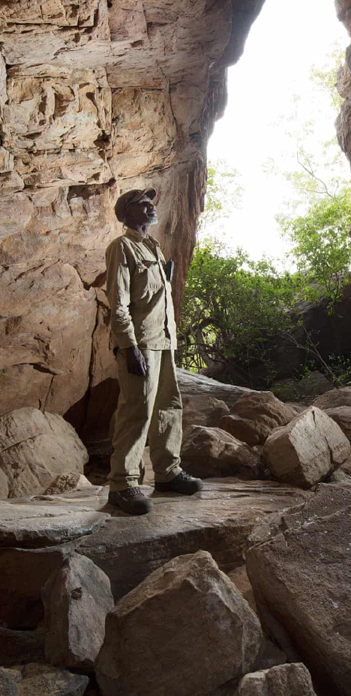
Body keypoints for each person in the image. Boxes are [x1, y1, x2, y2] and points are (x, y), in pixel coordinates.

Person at [103, 187, 202, 515]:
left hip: (163, 342)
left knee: (168, 408)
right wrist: (129, 347)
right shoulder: (122, 247)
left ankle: (168, 472)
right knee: (137, 411)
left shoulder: (154, 249)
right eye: (142, 205)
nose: (149, 209)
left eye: (150, 205)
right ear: (127, 214)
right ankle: (122, 484)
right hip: (141, 343)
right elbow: (119, 303)